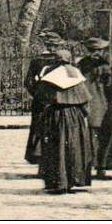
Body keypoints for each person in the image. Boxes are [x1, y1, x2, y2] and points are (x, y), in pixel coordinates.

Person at [33, 48, 94, 194]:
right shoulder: (75, 75)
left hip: (56, 115)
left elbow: (41, 98)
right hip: (75, 116)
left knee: (56, 147)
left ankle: (57, 180)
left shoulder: (50, 76)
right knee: (75, 147)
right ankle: (74, 179)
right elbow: (85, 100)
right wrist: (84, 114)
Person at [24, 30, 65, 164]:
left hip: (41, 100)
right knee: (57, 126)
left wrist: (37, 94)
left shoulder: (37, 61)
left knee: (39, 126)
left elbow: (28, 82)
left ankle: (38, 153)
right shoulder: (61, 61)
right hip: (58, 99)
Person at [78, 37, 112, 177]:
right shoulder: (106, 66)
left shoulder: (81, 64)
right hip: (102, 103)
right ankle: (101, 166)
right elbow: (110, 86)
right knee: (102, 136)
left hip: (87, 101)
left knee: (89, 136)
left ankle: (88, 165)